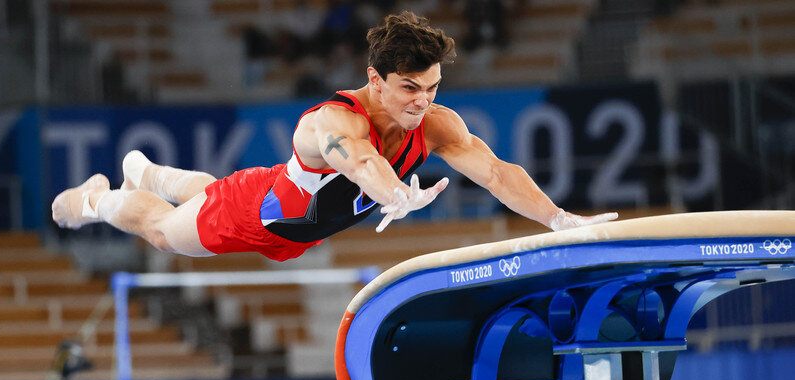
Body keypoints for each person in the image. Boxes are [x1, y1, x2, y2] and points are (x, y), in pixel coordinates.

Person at [51, 11, 617, 262]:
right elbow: (362, 163)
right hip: (255, 212)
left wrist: (558, 219)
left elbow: (497, 173)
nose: (424, 101)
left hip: (294, 224)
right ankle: (101, 198)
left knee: (211, 190)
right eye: (409, 88)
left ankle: (145, 172)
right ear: (375, 78)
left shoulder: (437, 124)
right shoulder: (334, 121)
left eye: (434, 87)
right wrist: (397, 193)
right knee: (161, 232)